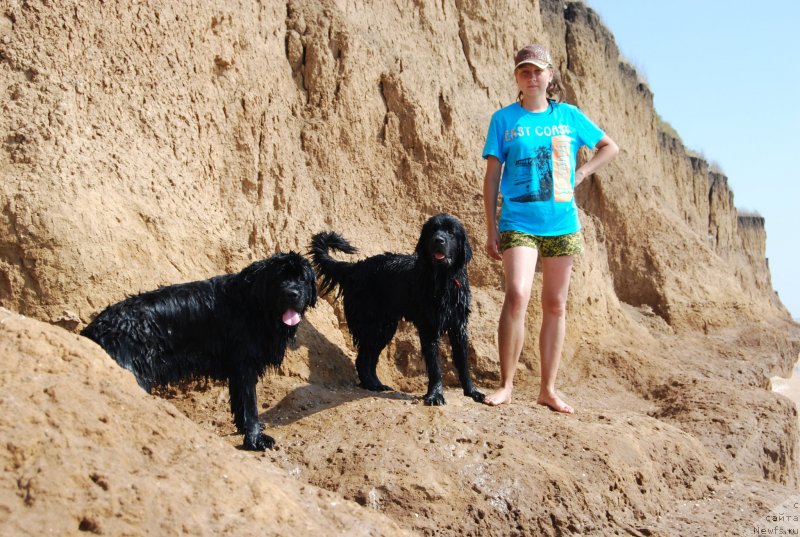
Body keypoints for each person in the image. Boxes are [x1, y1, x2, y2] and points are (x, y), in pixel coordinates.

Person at [481, 44, 619, 412]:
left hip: (562, 223)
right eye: (524, 71)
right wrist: (491, 227)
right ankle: (506, 385)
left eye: (538, 71)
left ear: (550, 75)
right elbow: (492, 178)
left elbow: (609, 147)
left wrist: (582, 172)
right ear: (517, 77)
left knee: (556, 305)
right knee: (517, 294)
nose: (532, 77)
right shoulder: (504, 120)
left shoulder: (569, 116)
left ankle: (548, 389)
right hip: (518, 221)